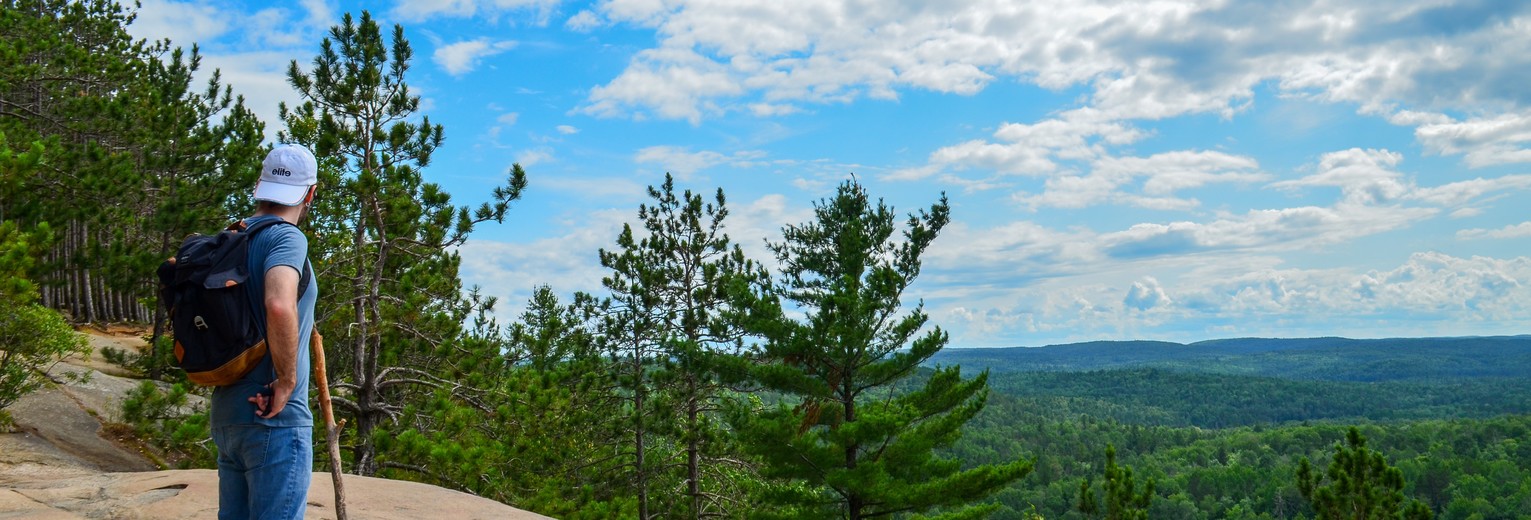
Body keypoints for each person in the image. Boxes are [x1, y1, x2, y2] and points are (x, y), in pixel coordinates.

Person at [211, 144, 320, 520]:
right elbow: (278, 303)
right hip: (275, 417)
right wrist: (287, 381)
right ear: (310, 193)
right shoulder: (287, 238)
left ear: (260, 185)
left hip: (229, 414)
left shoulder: (232, 237)